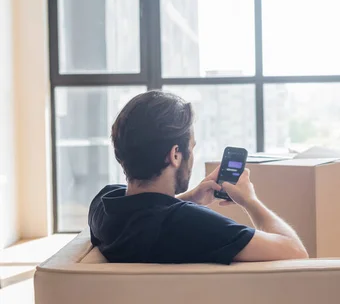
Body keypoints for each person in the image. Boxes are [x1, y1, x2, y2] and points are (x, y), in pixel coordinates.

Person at [88, 90, 308, 264]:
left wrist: (188, 197)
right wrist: (250, 201)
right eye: (191, 148)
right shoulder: (190, 224)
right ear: (175, 155)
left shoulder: (103, 205)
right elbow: (296, 252)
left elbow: (145, 212)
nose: (192, 156)